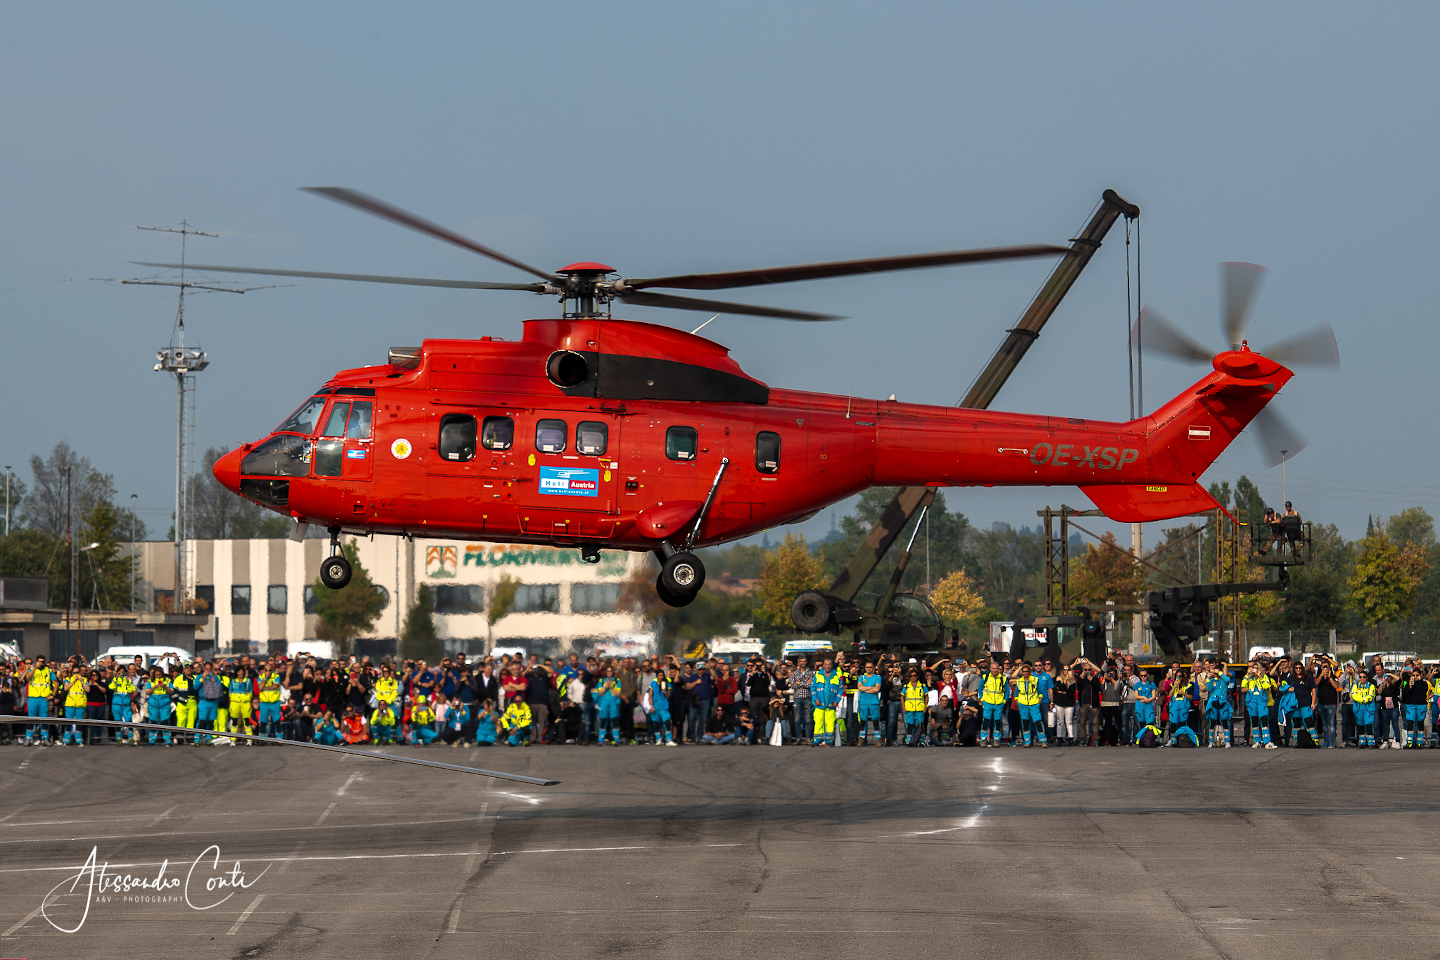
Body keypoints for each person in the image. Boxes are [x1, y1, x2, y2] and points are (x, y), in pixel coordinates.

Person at [1012, 661, 1048, 748]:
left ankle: (1043, 740)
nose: (1025, 673)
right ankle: (1027, 741)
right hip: (1023, 705)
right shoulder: (1019, 681)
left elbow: (1040, 692)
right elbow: (1016, 694)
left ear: (1029, 672)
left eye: (1026, 671)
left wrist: (1038, 702)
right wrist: (1018, 702)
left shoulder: (1035, 680)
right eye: (1023, 671)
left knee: (1038, 722)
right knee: (1025, 723)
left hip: (1034, 704)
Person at [20, 655, 55, 745]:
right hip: (33, 698)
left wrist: (53, 695)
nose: (41, 663)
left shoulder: (48, 670)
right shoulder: (31, 670)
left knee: (44, 719)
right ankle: (28, 738)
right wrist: (35, 668)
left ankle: (45, 738)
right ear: (36, 662)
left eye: (43, 661)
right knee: (31, 719)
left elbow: (56, 683)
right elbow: (27, 679)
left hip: (44, 698)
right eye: (39, 661)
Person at [1242, 662, 1277, 748]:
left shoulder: (1264, 677)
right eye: (1253, 668)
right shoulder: (1249, 677)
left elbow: (1266, 686)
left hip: (1261, 700)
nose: (1254, 670)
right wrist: (1247, 674)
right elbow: (1243, 685)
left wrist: (1260, 676)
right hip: (1251, 700)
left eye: (1256, 668)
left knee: (1264, 720)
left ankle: (1267, 742)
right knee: (1253, 720)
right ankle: (1257, 741)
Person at [810, 656, 842, 747]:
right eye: (826, 664)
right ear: (823, 665)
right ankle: (817, 740)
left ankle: (829, 741)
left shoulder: (836, 676)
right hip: (819, 704)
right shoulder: (817, 675)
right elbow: (813, 688)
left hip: (831, 704)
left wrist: (837, 701)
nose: (828, 666)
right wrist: (815, 699)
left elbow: (840, 689)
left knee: (830, 723)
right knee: (818, 721)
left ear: (832, 665)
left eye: (829, 665)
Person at [978, 659, 1008, 747]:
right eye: (993, 668)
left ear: (999, 669)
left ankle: (996, 740)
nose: (995, 670)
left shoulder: (1003, 678)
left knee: (997, 722)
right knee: (986, 721)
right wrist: (982, 699)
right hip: (987, 703)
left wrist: (1004, 701)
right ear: (990, 669)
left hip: (999, 703)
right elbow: (980, 689)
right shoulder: (985, 677)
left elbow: (1007, 691)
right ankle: (983, 739)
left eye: (996, 669)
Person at [1204, 661, 1235, 748]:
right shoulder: (1213, 680)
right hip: (1214, 701)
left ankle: (1227, 741)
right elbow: (1209, 688)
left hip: (1223, 701)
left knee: (1225, 721)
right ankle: (1211, 741)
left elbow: (1227, 680)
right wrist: (1208, 679)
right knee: (1212, 721)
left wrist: (1219, 672)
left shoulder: (1224, 680)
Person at [1400, 659, 1429, 749]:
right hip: (1411, 705)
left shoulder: (1424, 684)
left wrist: (1420, 681)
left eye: (1417, 675)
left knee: (1420, 723)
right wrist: (1410, 686)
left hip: (1421, 705)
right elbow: (1405, 694)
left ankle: (1420, 741)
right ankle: (1410, 741)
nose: (1415, 677)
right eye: (1414, 675)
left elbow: (1424, 692)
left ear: (1421, 675)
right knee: (1410, 722)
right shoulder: (1409, 682)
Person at [143, 667, 174, 746]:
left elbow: (171, 692)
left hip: (164, 704)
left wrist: (164, 686)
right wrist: (154, 687)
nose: (158, 676)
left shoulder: (167, 681)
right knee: (153, 722)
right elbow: (147, 692)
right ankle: (152, 740)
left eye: (160, 675)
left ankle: (167, 739)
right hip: (153, 704)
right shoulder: (150, 681)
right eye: (157, 675)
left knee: (165, 721)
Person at [855, 661, 882, 745]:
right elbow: (859, 688)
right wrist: (870, 688)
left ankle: (877, 739)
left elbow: (877, 689)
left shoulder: (877, 677)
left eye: (870, 667)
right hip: (863, 702)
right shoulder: (861, 677)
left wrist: (865, 689)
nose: (869, 668)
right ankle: (861, 739)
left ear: (873, 668)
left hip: (874, 702)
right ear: (865, 668)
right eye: (867, 667)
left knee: (875, 721)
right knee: (862, 721)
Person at [60, 664, 88, 747]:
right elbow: (66, 688)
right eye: (74, 673)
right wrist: (73, 681)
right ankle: (66, 740)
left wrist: (81, 681)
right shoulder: (68, 679)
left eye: (77, 672)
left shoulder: (84, 679)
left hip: (80, 704)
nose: (76, 674)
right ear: (72, 673)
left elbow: (88, 689)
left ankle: (79, 740)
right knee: (68, 722)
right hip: (70, 704)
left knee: (79, 723)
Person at [1350, 669, 1378, 748]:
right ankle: (1362, 741)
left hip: (1368, 708)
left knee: (1369, 725)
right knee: (1360, 725)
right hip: (1359, 708)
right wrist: (1363, 700)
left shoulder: (1371, 686)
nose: (1362, 678)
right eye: (1360, 677)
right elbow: (1354, 695)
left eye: (1363, 677)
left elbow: (1371, 696)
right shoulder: (1356, 686)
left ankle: (1370, 742)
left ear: (1366, 678)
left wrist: (1364, 700)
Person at [594, 667, 622, 745]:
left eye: (611, 671)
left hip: (613, 702)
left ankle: (617, 739)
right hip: (603, 702)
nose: (609, 672)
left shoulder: (617, 681)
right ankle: (601, 739)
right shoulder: (601, 681)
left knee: (614, 720)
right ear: (605, 672)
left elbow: (618, 694)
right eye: (608, 671)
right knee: (603, 720)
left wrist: (611, 687)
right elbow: (600, 693)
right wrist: (605, 686)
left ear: (613, 672)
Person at [648, 667, 676, 746]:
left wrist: (665, 690)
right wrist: (651, 706)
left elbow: (668, 696)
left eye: (662, 676)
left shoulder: (667, 683)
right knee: (656, 722)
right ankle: (658, 739)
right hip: (655, 704)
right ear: (657, 676)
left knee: (667, 721)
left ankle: (669, 739)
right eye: (659, 676)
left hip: (664, 705)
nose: (660, 677)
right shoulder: (653, 684)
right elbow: (650, 695)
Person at [1051, 666, 1077, 745]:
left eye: (1068, 669)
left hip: (1069, 703)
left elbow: (1071, 692)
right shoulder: (1058, 679)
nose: (1066, 671)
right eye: (1064, 669)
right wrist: (1065, 682)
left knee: (1069, 721)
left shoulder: (1073, 681)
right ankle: (1059, 737)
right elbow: (1059, 689)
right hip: (1059, 702)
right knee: (1060, 721)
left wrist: (1064, 691)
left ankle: (1070, 737)